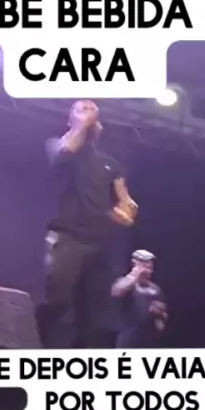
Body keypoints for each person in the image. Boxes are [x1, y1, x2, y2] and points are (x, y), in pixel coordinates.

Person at [37, 99, 137, 348]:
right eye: (82, 109)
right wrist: (82, 125)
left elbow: (125, 200)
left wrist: (126, 211)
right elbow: (67, 150)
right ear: (69, 119)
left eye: (93, 111)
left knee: (94, 314)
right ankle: (36, 347)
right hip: (67, 237)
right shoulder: (57, 145)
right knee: (56, 303)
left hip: (99, 244)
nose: (89, 113)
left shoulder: (110, 164)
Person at [112, 250, 168, 348]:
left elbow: (162, 321)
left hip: (149, 343)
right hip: (128, 342)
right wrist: (136, 274)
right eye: (146, 267)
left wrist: (160, 314)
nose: (149, 271)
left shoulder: (155, 289)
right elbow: (117, 292)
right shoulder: (124, 283)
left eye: (150, 268)